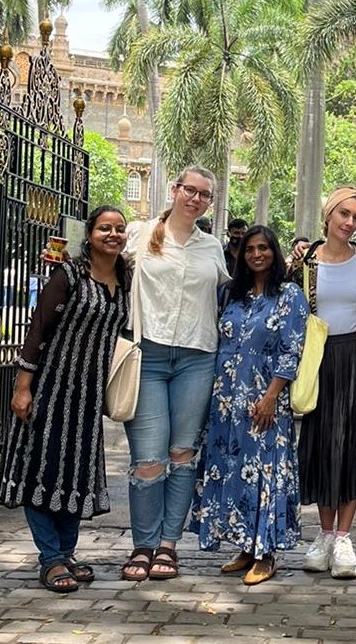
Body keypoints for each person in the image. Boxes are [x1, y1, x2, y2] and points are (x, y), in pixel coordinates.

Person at [0, 206, 131, 593]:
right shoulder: (70, 274)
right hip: (51, 388)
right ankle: (50, 558)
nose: (113, 234)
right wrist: (23, 387)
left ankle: (66, 553)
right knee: (41, 469)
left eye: (120, 229)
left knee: (76, 472)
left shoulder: (125, 278)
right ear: (89, 235)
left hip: (88, 398)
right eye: (105, 228)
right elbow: (39, 329)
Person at [120, 165, 229, 583]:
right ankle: (143, 544)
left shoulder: (212, 247)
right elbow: (98, 259)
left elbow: (227, 296)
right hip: (147, 354)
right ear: (174, 190)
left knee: (181, 455)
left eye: (204, 195)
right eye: (190, 190)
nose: (196, 199)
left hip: (198, 357)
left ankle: (168, 545)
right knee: (148, 460)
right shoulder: (140, 234)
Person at [191, 225, 309, 585]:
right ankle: (246, 546)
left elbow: (293, 350)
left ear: (274, 252)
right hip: (227, 403)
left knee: (265, 473)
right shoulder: (232, 296)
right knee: (234, 470)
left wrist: (272, 395)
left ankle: (266, 552)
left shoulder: (289, 295)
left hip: (265, 399)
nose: (257, 254)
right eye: (250, 249)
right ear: (241, 255)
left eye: (264, 248)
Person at [296, 187, 356, 580]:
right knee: (319, 443)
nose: (349, 222)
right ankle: (324, 533)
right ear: (328, 215)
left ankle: (344, 535)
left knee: (352, 444)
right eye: (344, 214)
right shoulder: (305, 262)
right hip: (317, 358)